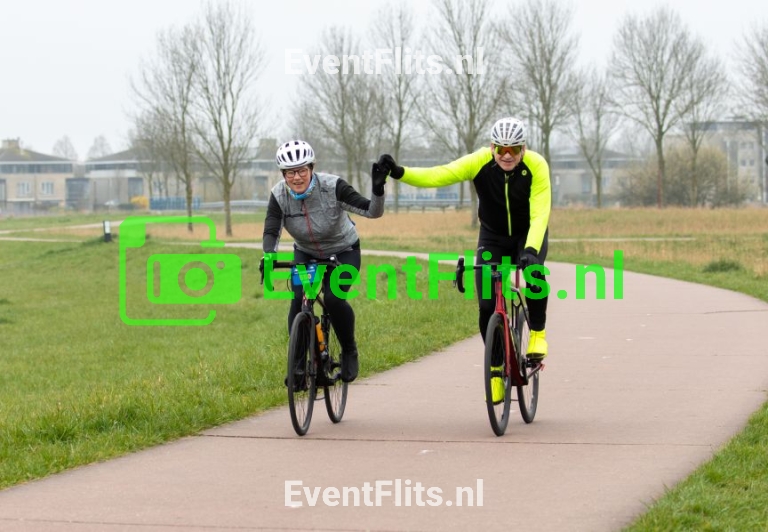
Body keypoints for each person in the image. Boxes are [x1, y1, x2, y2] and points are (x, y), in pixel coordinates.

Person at [377, 117, 551, 368]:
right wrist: (399, 172)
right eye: (501, 148)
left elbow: (540, 214)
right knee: (486, 305)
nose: (507, 155)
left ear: (523, 149)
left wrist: (531, 250)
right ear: (492, 147)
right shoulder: (478, 162)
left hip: (528, 233)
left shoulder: (537, 165)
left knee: (534, 274)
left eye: (513, 149)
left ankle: (537, 335)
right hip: (492, 236)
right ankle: (496, 364)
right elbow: (438, 175)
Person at [262, 140, 387, 383]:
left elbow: (373, 211)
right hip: (306, 253)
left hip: (344, 250)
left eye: (301, 170)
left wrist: (378, 189)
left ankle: (349, 351)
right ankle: (298, 367)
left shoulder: (333, 186)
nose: (296, 177)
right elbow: (271, 229)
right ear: (283, 174)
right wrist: (269, 255)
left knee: (333, 298)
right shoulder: (279, 194)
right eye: (290, 172)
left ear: (312, 168)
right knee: (299, 299)